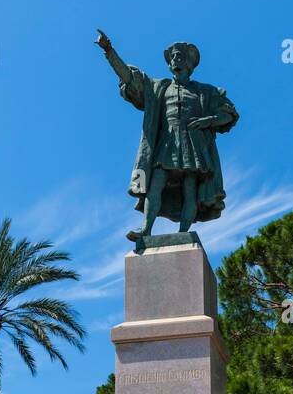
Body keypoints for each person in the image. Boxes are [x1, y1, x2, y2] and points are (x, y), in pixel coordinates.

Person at [96, 31, 238, 245]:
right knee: (155, 185)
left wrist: (207, 121)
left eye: (180, 57)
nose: (175, 61)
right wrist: (109, 51)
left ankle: (183, 233)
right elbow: (129, 77)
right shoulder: (158, 88)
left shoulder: (205, 92)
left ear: (189, 64)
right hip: (167, 143)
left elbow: (229, 113)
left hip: (193, 145)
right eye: (173, 57)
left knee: (190, 191)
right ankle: (145, 230)